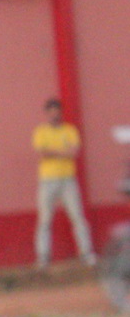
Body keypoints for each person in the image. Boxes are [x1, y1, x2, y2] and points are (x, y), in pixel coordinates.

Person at [33, 98, 95, 268]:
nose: (54, 114)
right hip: (47, 180)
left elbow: (74, 152)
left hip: (68, 180)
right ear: (47, 113)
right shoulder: (41, 131)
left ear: (60, 112)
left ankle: (86, 253)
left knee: (78, 217)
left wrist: (55, 152)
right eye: (51, 111)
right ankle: (43, 257)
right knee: (45, 220)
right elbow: (43, 152)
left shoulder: (70, 130)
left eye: (57, 111)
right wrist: (63, 152)